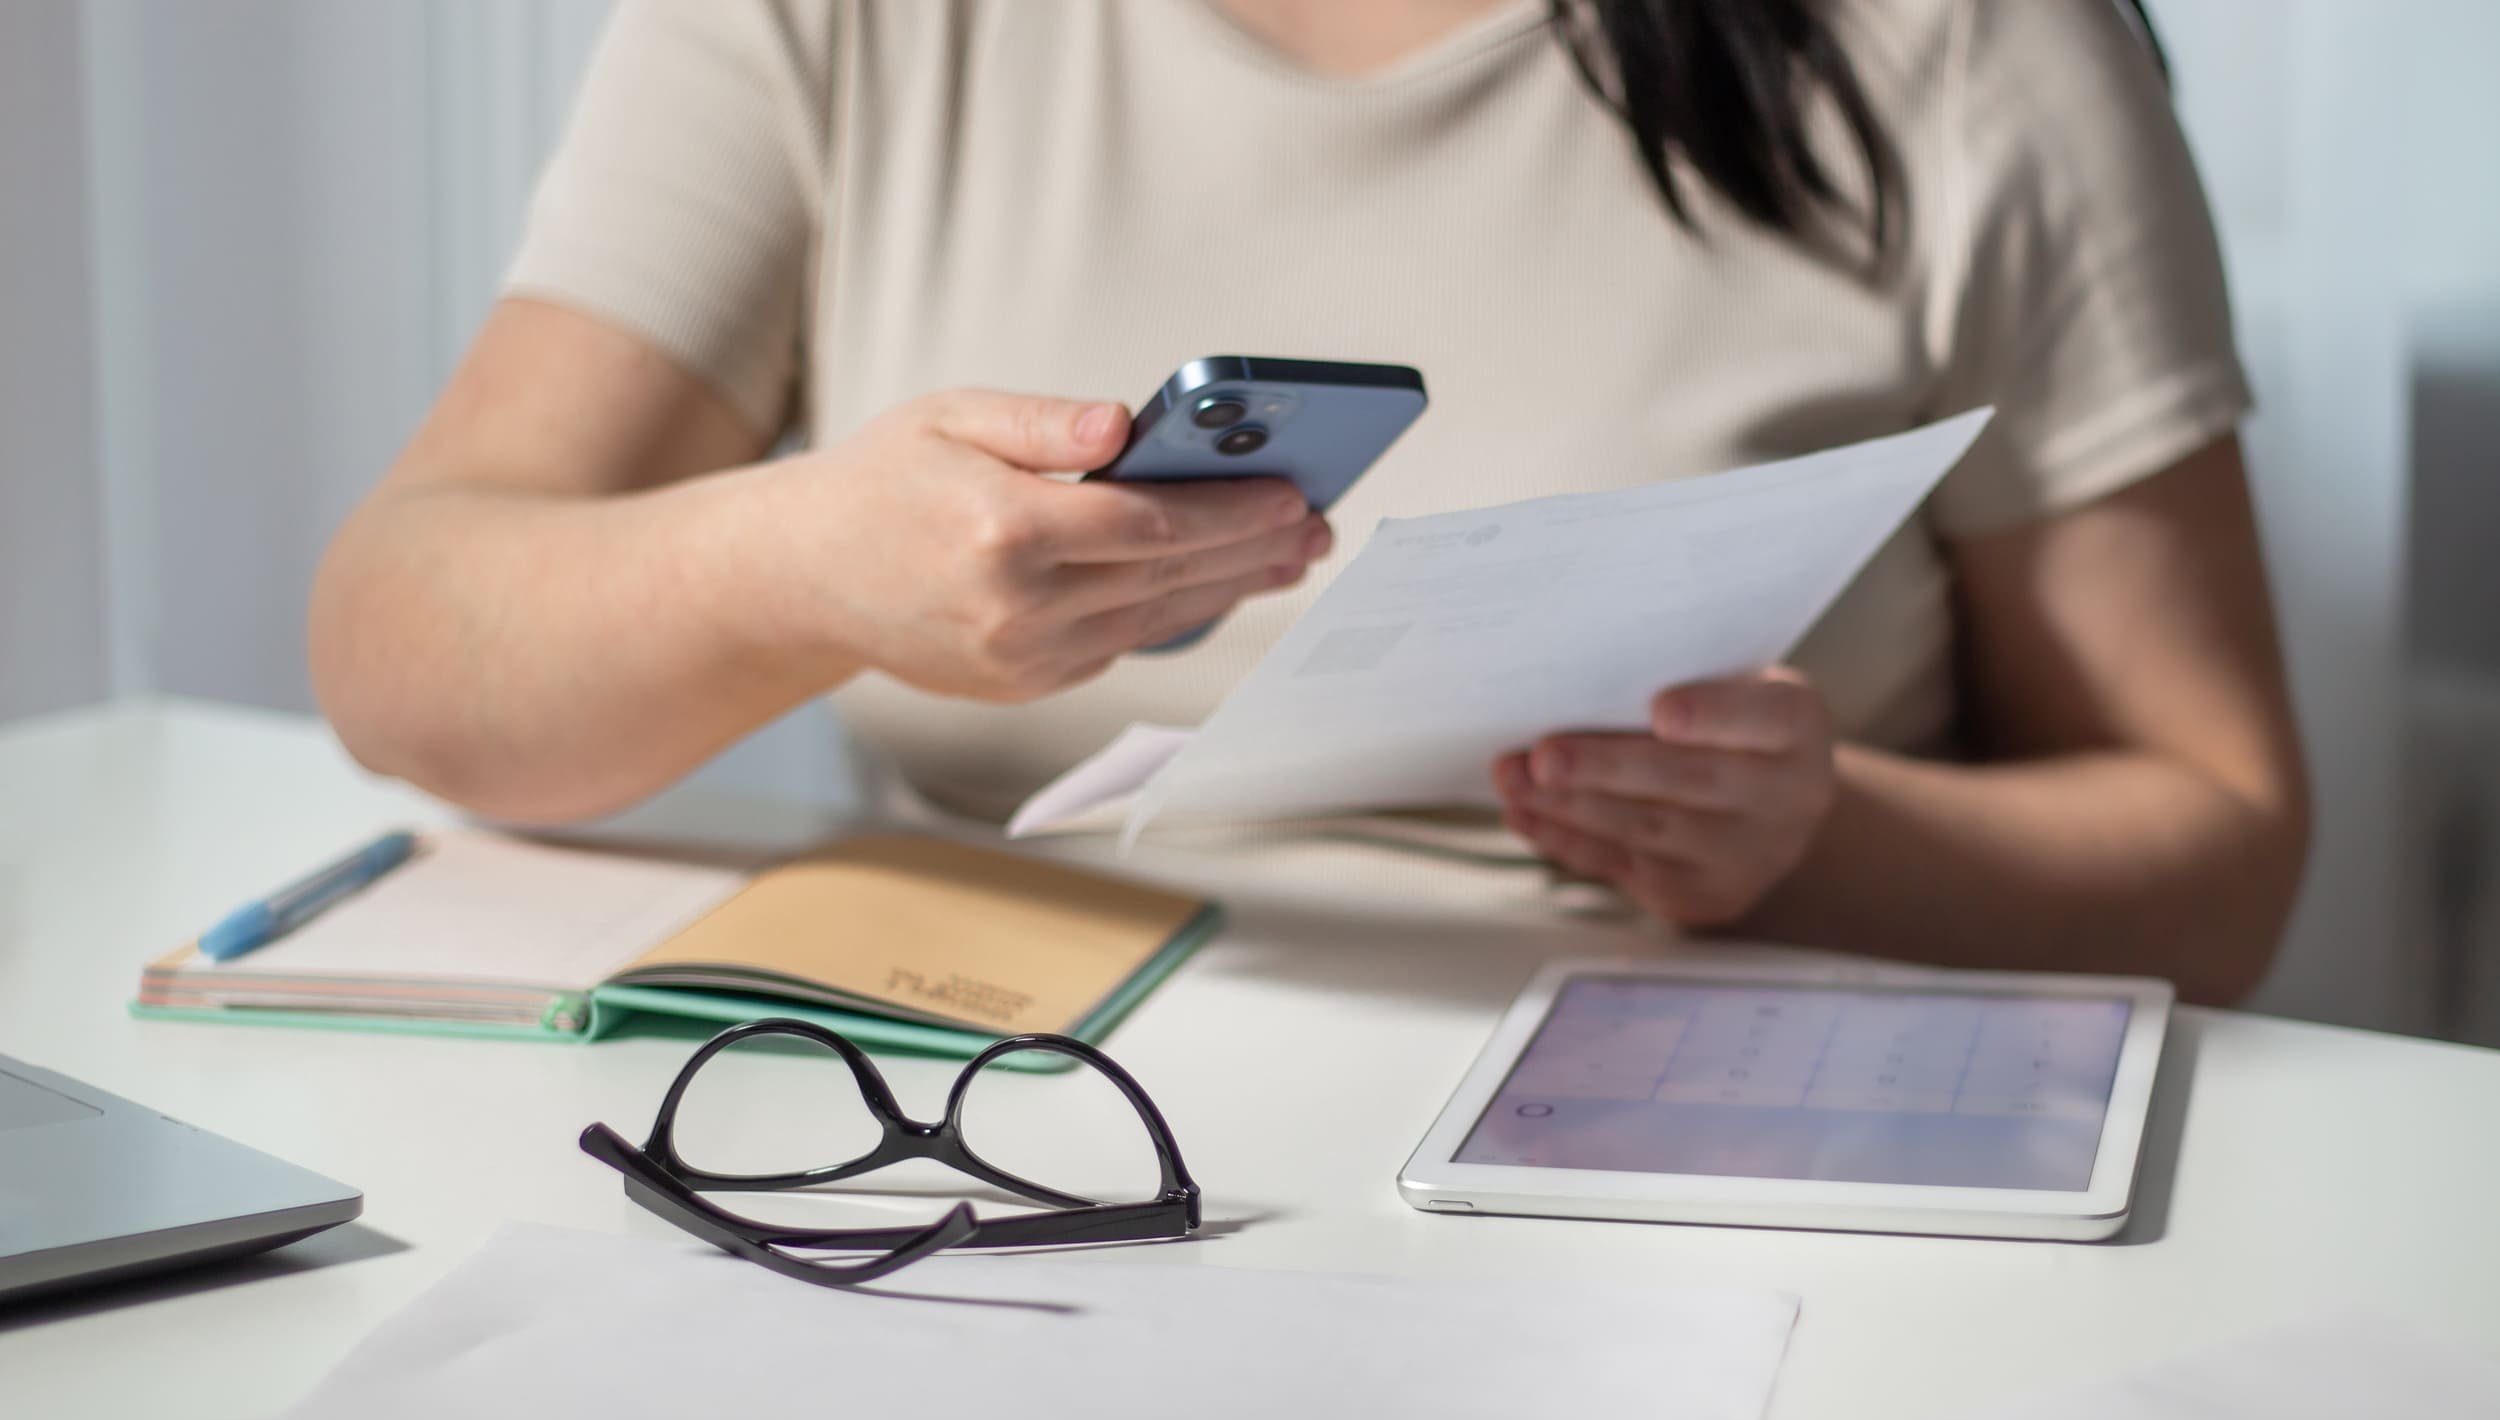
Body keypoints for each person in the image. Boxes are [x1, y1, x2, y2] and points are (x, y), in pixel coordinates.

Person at [309, 0, 2310, 1005]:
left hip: (1683, 1152)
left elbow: (2216, 854)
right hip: (983, 1108)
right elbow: (403, 644)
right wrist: (803, 565)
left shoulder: (1956, 47)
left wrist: (1811, 834)